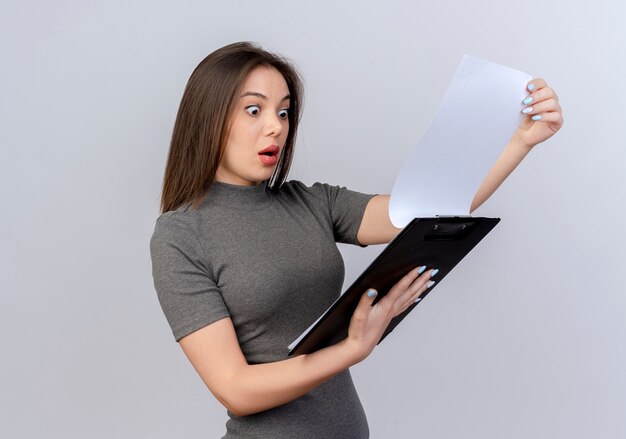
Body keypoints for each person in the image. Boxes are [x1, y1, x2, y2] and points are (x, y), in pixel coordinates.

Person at [150, 41, 563, 438]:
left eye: (284, 112)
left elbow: (428, 210)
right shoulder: (180, 236)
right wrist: (351, 349)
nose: (275, 126)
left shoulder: (311, 202)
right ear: (209, 117)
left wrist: (520, 142)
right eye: (254, 110)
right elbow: (236, 390)